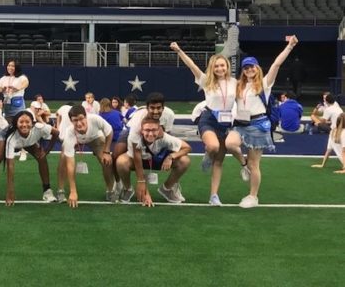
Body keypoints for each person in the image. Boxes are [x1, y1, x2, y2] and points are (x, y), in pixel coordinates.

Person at [225, 36, 299, 208]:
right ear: (242, 70)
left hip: (258, 125)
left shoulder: (265, 84)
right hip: (241, 124)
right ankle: (244, 166)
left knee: (255, 163)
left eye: (251, 67)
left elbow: (276, 65)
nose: (249, 70)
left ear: (257, 68)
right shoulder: (237, 85)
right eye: (246, 67)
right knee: (230, 144)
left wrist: (289, 47)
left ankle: (253, 196)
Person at [170, 42, 246, 206]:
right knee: (213, 147)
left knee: (218, 162)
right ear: (212, 68)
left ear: (227, 66)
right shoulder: (206, 81)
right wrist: (179, 51)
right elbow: (192, 66)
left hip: (226, 123)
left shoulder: (235, 82)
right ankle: (207, 155)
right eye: (216, 66)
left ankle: (214, 196)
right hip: (209, 119)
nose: (220, 68)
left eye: (222, 65)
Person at [116, 117, 191, 206]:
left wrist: (171, 156)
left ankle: (167, 189)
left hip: (158, 161)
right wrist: (145, 192)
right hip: (138, 162)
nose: (151, 134)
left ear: (159, 130)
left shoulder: (165, 138)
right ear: (142, 131)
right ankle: (127, 189)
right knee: (121, 161)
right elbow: (137, 162)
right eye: (147, 130)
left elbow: (187, 147)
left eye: (154, 130)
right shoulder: (135, 139)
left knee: (184, 160)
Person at [0, 110, 59, 205]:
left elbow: (56, 132)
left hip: (29, 142)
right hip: (8, 138)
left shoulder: (40, 128)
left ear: (33, 123)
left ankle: (47, 190)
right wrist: (10, 191)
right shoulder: (11, 137)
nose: (24, 125)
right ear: (16, 123)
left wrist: (47, 151)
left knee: (42, 158)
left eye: (27, 122)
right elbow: (10, 166)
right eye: (21, 122)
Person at [62, 104, 114, 207]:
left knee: (106, 161)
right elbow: (71, 165)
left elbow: (109, 131)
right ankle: (60, 190)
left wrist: (107, 152)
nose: (79, 123)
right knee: (63, 158)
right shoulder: (69, 132)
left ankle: (110, 190)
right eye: (75, 120)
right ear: (71, 121)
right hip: (77, 141)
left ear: (86, 116)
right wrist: (73, 191)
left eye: (81, 118)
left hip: (95, 138)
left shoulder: (95, 119)